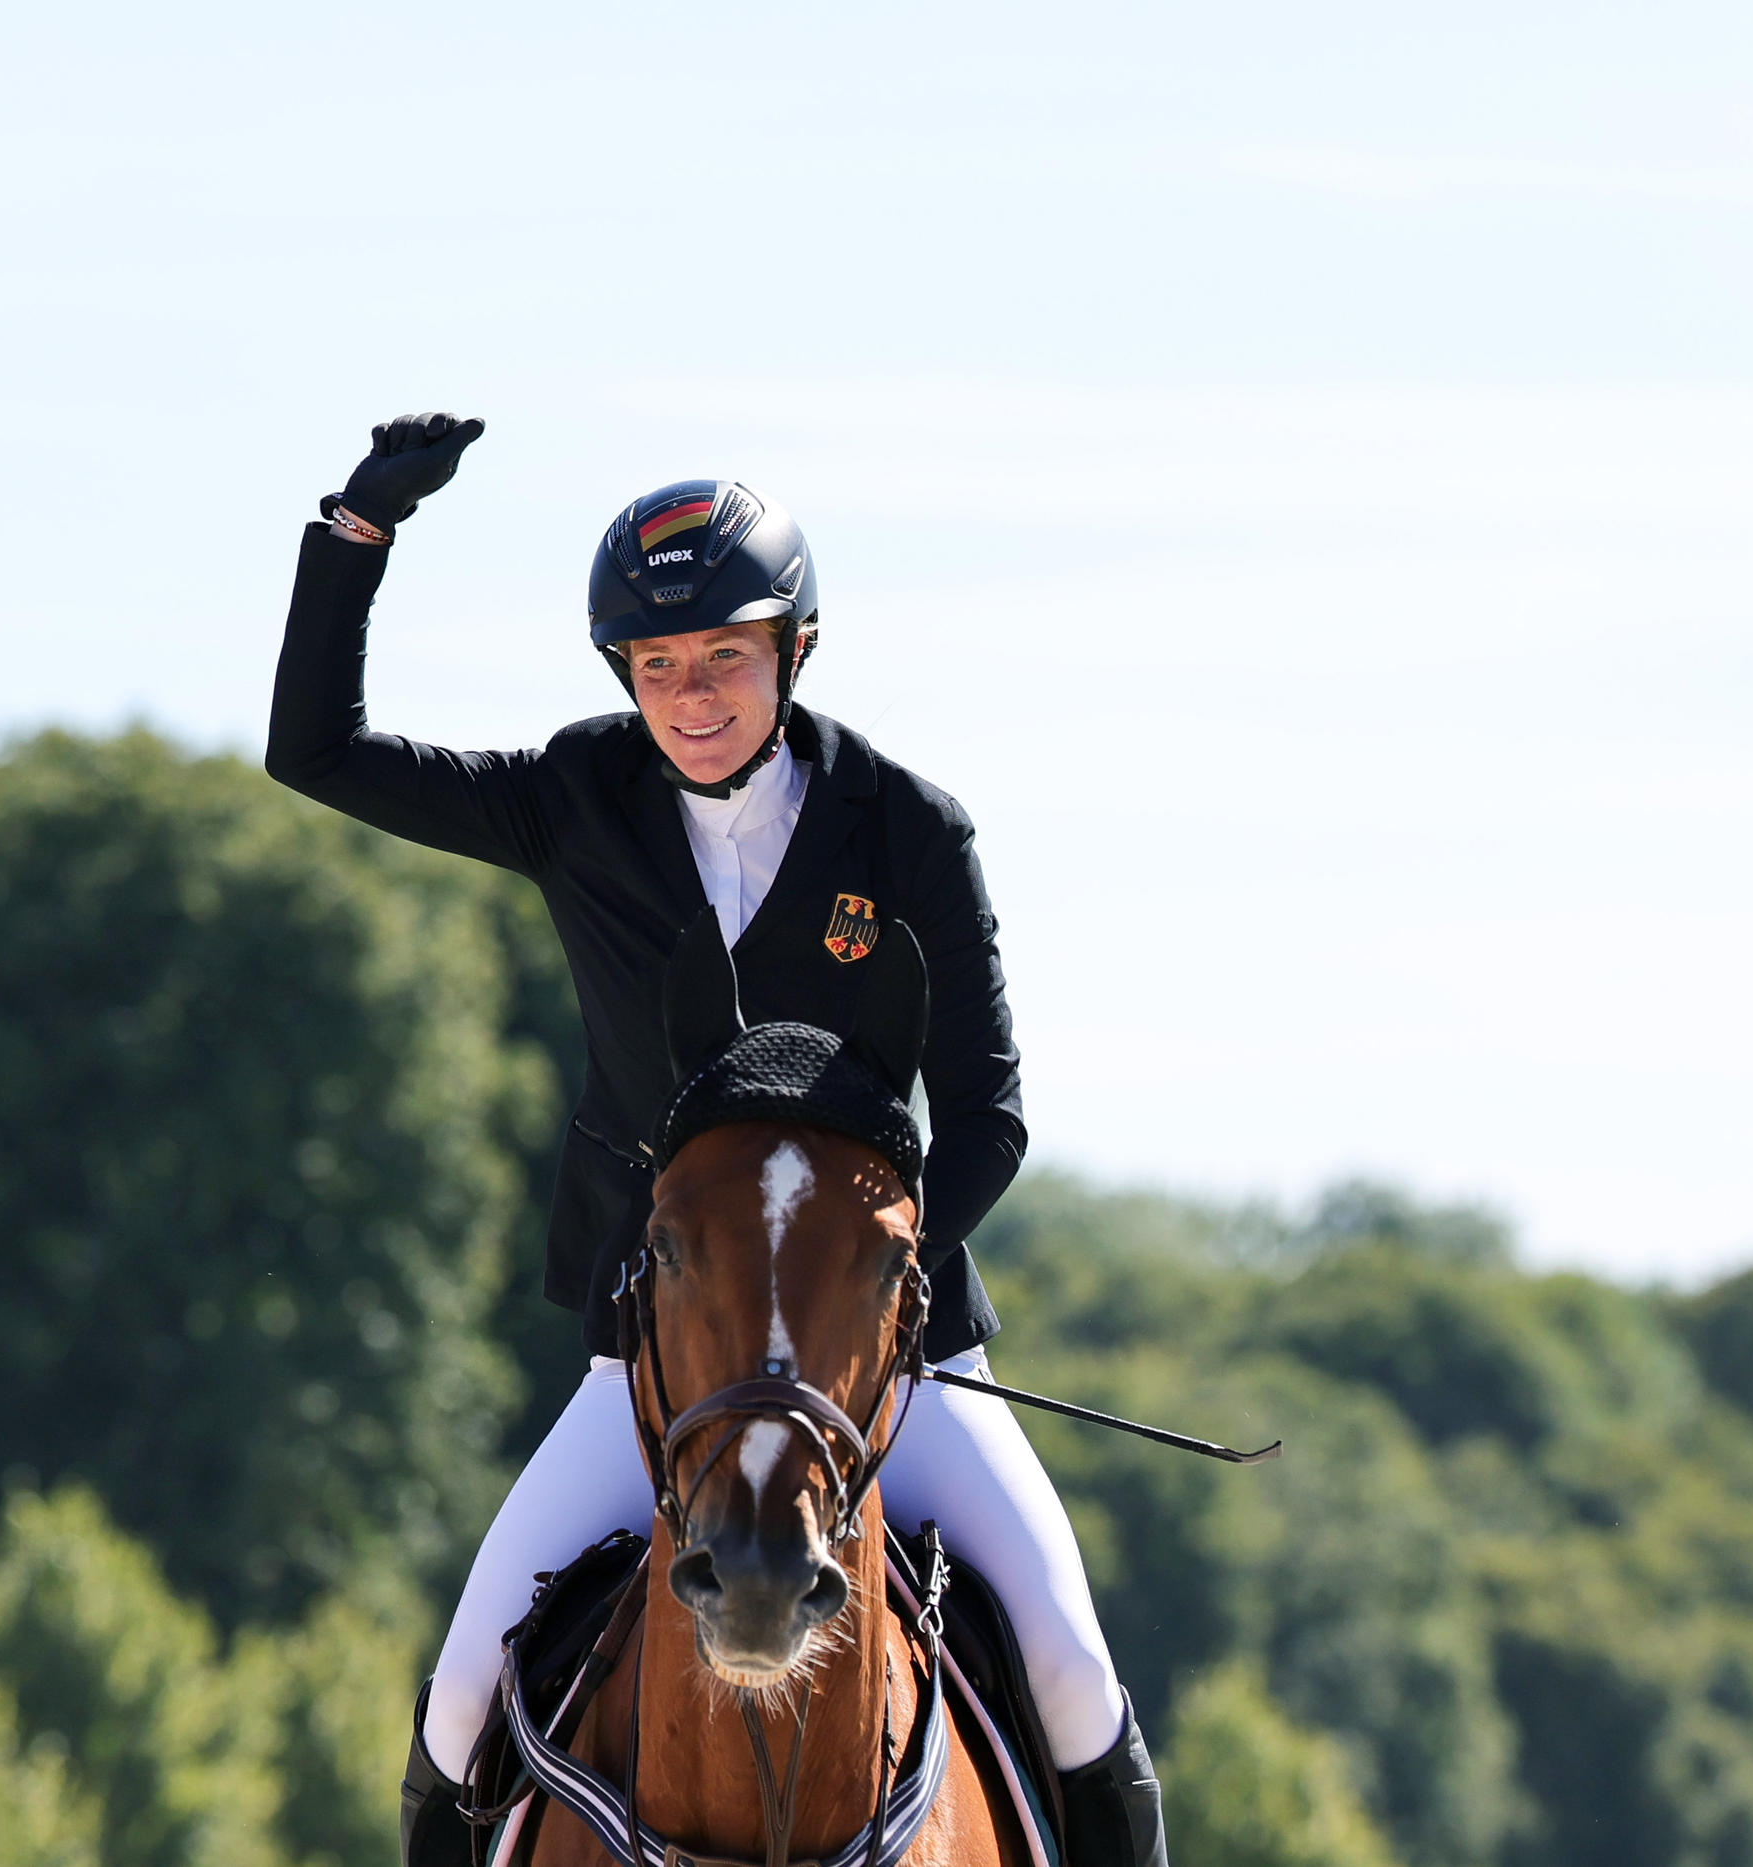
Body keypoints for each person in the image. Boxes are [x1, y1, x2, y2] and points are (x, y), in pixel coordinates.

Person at [265, 415, 1170, 1867]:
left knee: (1072, 1673)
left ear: (794, 650)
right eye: (658, 666)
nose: (691, 695)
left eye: (725, 656)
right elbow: (314, 752)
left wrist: (872, 1297)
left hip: (897, 1368)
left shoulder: (910, 832)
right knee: (457, 1701)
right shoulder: (573, 802)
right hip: (656, 1365)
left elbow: (988, 1119)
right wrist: (356, 536)